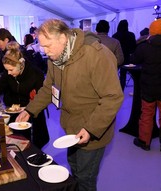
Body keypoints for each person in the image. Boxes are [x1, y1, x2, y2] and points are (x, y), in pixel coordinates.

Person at [16, 19, 124, 190]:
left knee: (85, 179)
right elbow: (48, 89)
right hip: (71, 128)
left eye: (48, 45)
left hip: (93, 129)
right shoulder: (56, 58)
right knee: (74, 170)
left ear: (63, 37)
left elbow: (113, 97)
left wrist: (91, 129)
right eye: (42, 46)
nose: (45, 51)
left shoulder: (96, 55)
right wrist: (30, 110)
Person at [0, 41, 49, 149]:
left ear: (20, 65)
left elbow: (42, 97)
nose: (8, 73)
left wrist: (28, 109)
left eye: (11, 70)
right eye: (6, 70)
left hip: (33, 114)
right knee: (16, 143)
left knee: (33, 146)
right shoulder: (8, 74)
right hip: (15, 114)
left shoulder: (36, 74)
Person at [131, 19, 161, 153]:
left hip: (148, 87)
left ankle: (144, 142)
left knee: (146, 114)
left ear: (151, 30)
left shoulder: (144, 46)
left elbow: (134, 59)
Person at [112, 19, 136, 90]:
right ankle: (121, 91)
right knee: (123, 75)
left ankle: (113, 90)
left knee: (113, 75)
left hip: (117, 58)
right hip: (127, 58)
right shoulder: (131, 35)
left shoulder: (115, 35)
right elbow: (134, 47)